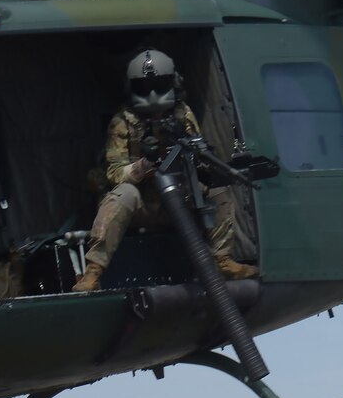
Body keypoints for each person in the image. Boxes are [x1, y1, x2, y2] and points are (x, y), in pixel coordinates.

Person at [72, 48, 254, 292]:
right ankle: (93, 273)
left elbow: (198, 151)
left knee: (217, 192)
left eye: (160, 84)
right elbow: (113, 173)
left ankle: (221, 261)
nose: (154, 93)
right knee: (120, 197)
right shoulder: (123, 122)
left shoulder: (182, 114)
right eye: (147, 87)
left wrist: (193, 156)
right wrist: (144, 165)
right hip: (143, 203)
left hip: (177, 198)